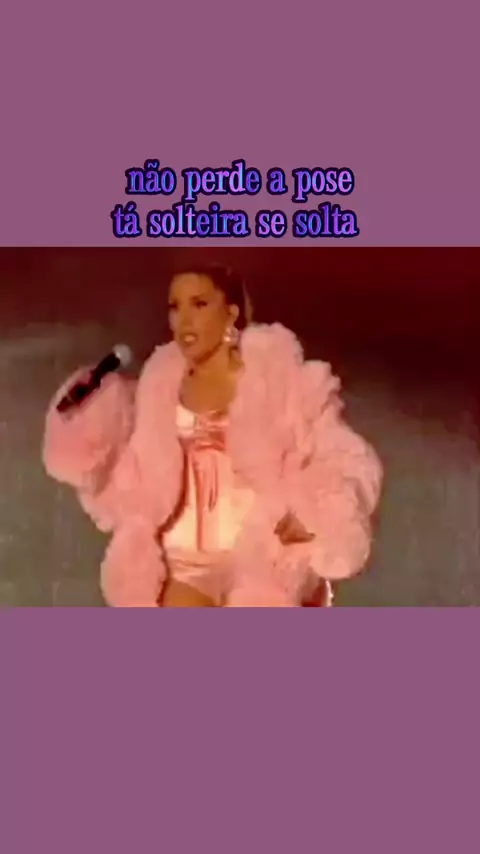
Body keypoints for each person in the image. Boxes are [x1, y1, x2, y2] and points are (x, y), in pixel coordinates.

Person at [42, 264, 383, 607]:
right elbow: (124, 474)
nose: (184, 320)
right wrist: (86, 417)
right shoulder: (157, 388)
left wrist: (312, 515)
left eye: (199, 304)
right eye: (175, 307)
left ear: (230, 313)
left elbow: (344, 458)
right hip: (182, 562)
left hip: (262, 557)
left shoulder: (280, 381)